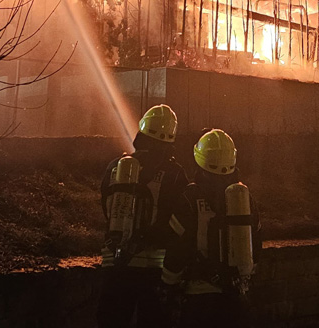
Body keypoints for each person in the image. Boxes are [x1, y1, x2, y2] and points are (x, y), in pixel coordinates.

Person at [98, 104, 189, 328]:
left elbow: (107, 208)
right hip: (155, 270)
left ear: (142, 132)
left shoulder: (115, 167)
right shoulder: (176, 174)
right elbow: (183, 220)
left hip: (116, 264)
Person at [162, 129, 261, 328]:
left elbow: (176, 249)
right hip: (236, 297)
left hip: (199, 299)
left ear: (200, 158)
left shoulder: (190, 197)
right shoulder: (244, 198)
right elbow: (256, 244)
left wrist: (167, 285)